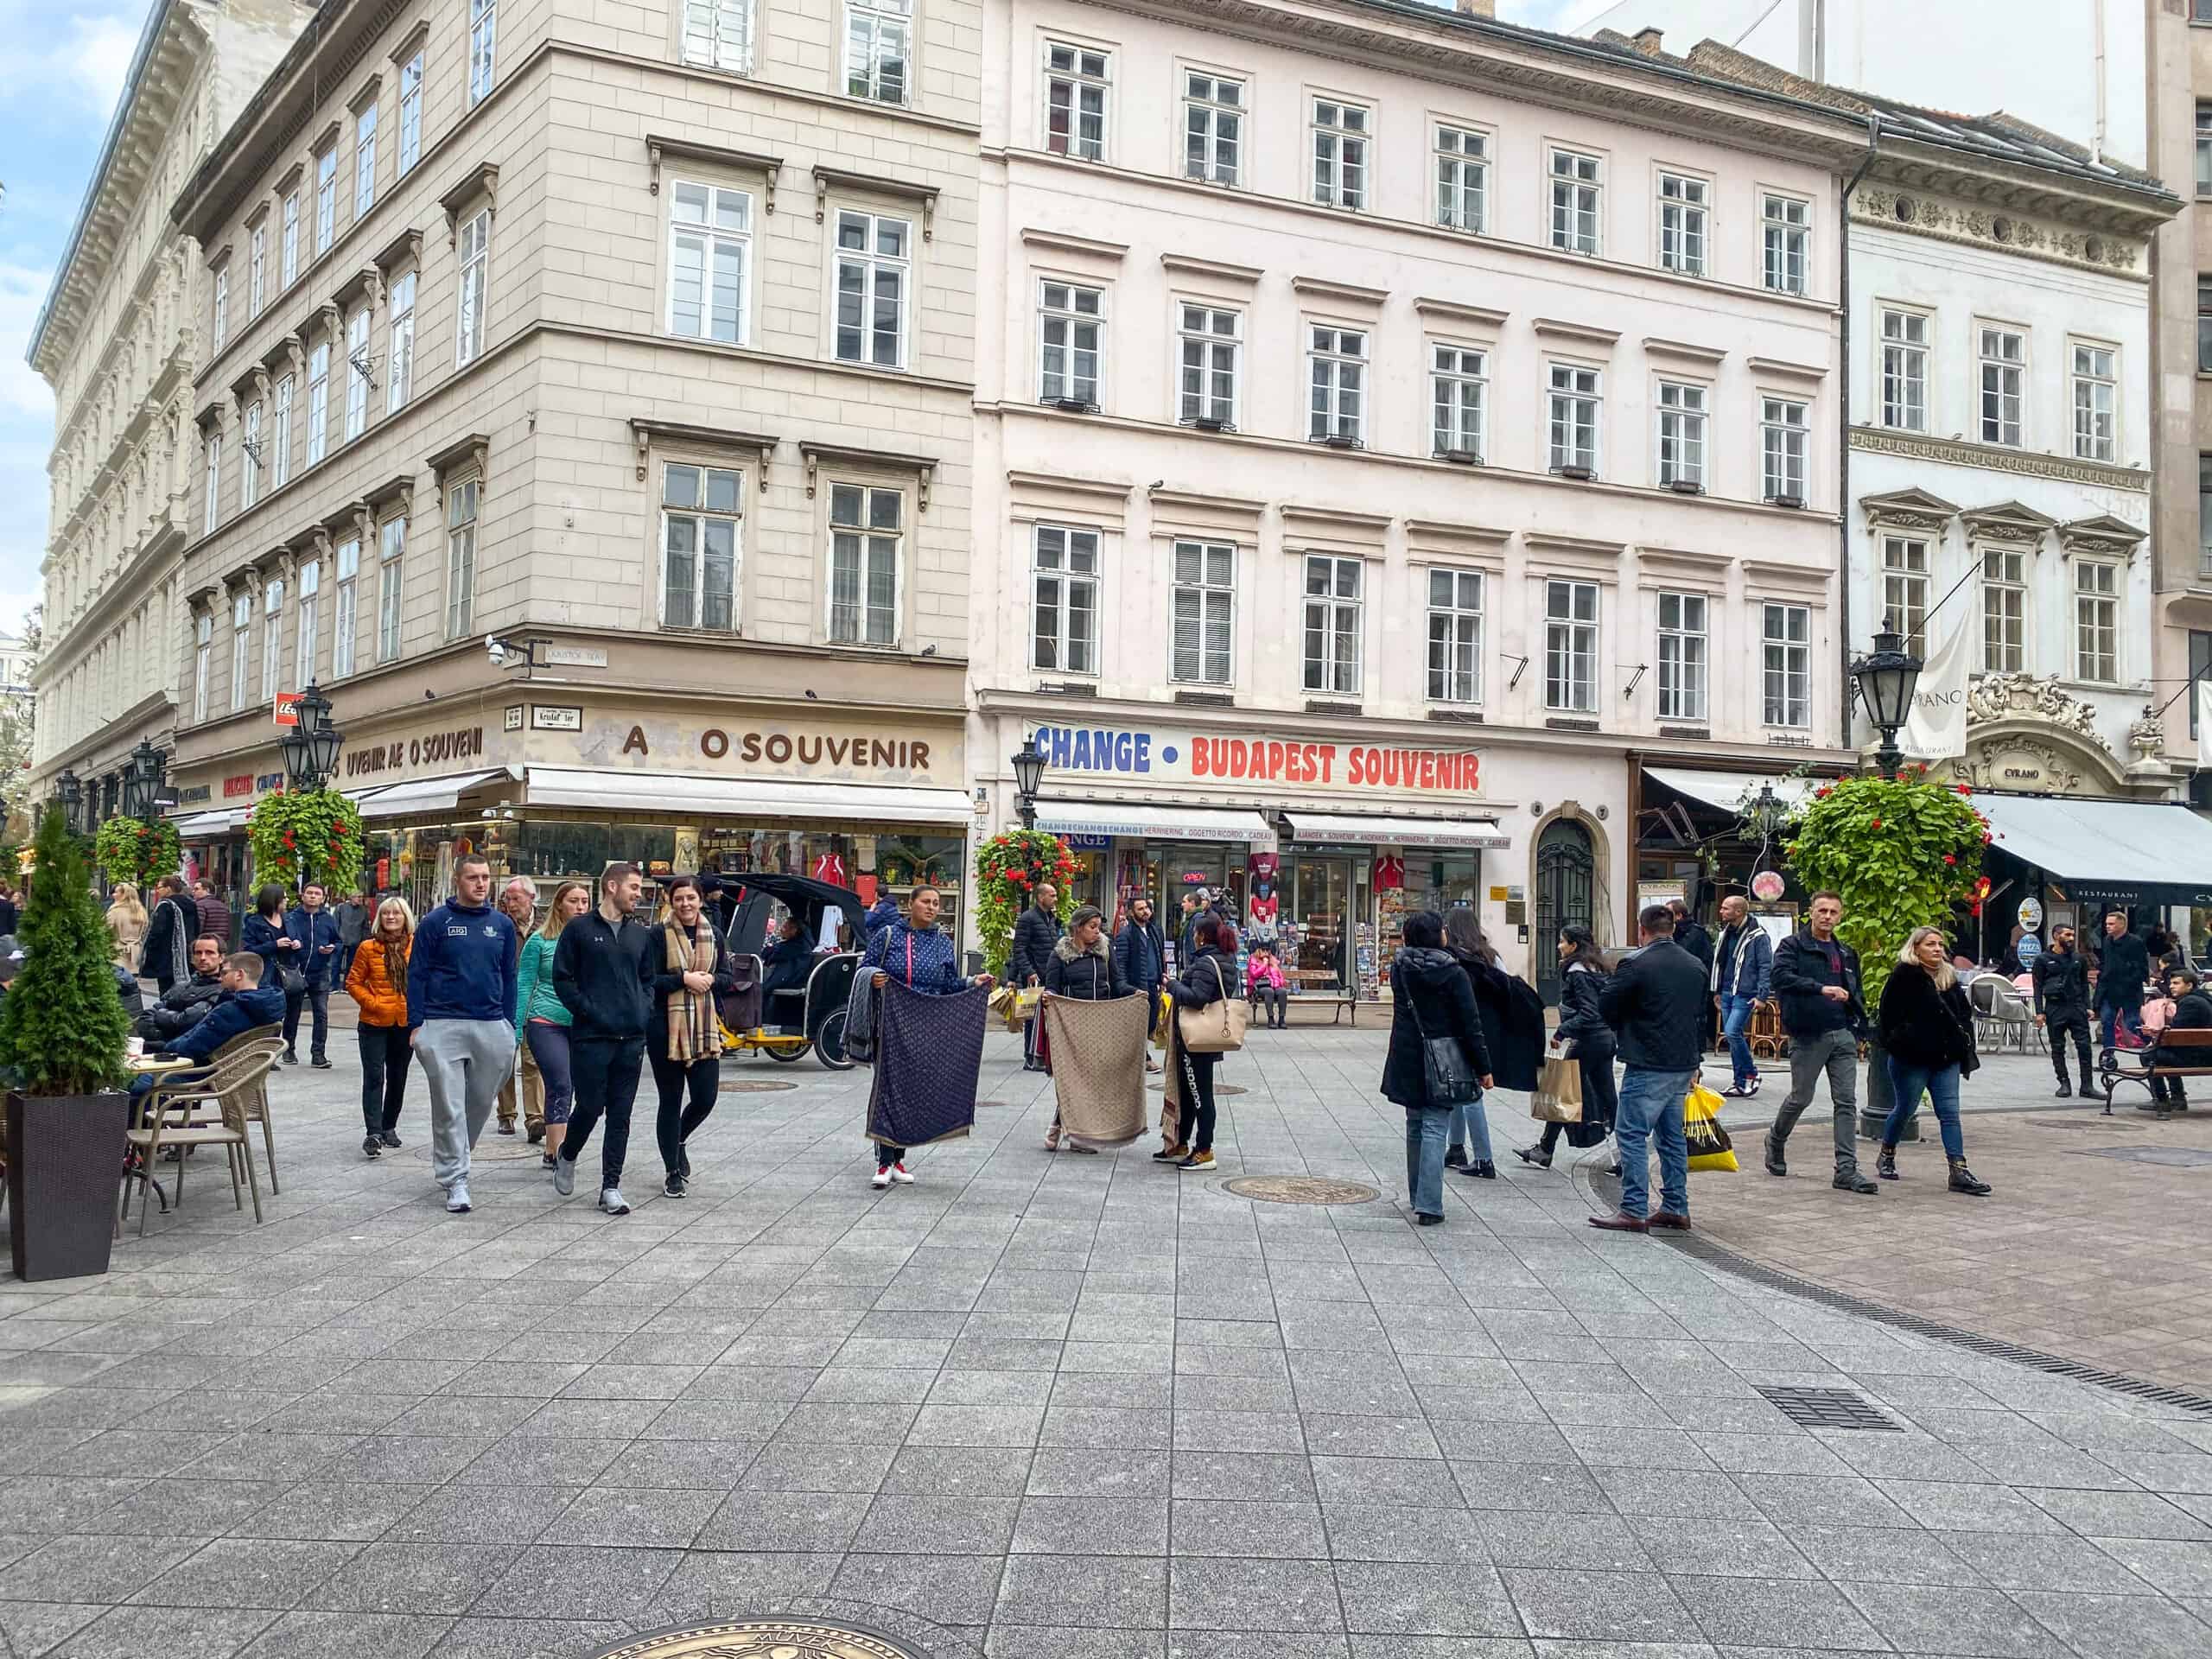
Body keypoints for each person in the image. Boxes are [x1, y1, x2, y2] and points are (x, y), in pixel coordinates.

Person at [408, 854, 520, 1215]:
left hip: (491, 1023)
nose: (481, 883)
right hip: (441, 1023)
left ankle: (457, 1154)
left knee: (481, 1101)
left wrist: (509, 1025)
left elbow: (510, 977)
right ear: (458, 880)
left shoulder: (502, 925)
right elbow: (418, 973)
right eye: (473, 877)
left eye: (486, 877)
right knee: (449, 1103)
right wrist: (416, 1024)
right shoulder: (435, 922)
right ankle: (456, 1178)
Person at [862, 885, 995, 1186]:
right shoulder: (887, 936)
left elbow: (948, 985)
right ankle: (884, 1162)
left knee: (913, 1089)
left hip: (926, 1027)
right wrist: (875, 978)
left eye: (936, 903)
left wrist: (974, 981)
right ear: (911, 904)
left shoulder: (942, 943)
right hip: (891, 1023)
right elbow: (864, 969)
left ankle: (899, 1158)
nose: (932, 907)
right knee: (889, 1087)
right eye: (926, 901)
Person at [1589, 905, 1708, 1232]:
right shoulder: (1695, 964)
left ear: (1642, 930)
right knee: (1671, 1137)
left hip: (1648, 1060)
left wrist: (1624, 1024)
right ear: (1672, 928)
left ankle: (1633, 1208)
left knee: (1631, 1133)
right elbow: (1701, 1015)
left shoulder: (1636, 963)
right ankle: (1675, 1206)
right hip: (1682, 1062)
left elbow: (1606, 1005)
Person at [551, 861, 657, 1217]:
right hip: (592, 1036)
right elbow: (563, 979)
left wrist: (643, 1011)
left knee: (621, 1115)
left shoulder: (639, 934)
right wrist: (587, 1010)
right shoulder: (579, 929)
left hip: (631, 1038)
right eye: (634, 888)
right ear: (612, 886)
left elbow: (648, 980)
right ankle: (568, 1152)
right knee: (590, 1106)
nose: (638, 895)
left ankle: (610, 1186)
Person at [1381, 911, 1494, 1226]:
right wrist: (1483, 1066)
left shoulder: (1399, 968)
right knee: (1433, 1126)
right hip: (1442, 1057)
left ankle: (1418, 1195)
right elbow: (1470, 1023)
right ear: (1439, 935)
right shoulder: (1453, 973)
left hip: (1407, 1054)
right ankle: (1429, 1205)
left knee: (1415, 1124)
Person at [1764, 892, 1876, 1195]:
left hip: (1842, 1033)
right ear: (1811, 913)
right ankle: (1775, 1139)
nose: (1827, 916)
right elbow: (1780, 977)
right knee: (1801, 1097)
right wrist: (1820, 989)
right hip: (1808, 1033)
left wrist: (1858, 1025)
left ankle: (1846, 1169)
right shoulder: (1793, 946)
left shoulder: (1846, 952)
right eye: (1822, 910)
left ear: (1840, 916)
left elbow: (1856, 990)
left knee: (1846, 1102)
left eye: (1833, 912)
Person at [1876, 925, 1991, 1195]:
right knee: (1905, 1109)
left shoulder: (1948, 977)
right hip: (1912, 1057)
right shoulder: (1904, 976)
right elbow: (1888, 1017)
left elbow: (1963, 1013)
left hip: (1946, 1058)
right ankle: (1887, 1153)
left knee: (1950, 1113)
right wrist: (1903, 1041)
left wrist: (1963, 1043)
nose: (1938, 949)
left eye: (1940, 944)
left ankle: (1958, 1171)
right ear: (1916, 948)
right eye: (1930, 944)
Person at [650, 874, 737, 1198]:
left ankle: (679, 1139)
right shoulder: (657, 935)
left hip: (703, 1027)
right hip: (664, 1027)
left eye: (690, 898)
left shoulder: (713, 934)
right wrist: (684, 979)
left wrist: (710, 980)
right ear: (670, 902)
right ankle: (672, 1170)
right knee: (670, 1100)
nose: (685, 904)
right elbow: (648, 980)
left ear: (700, 900)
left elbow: (728, 977)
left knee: (705, 1098)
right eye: (678, 898)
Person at [1445, 907, 1540, 1174]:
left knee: (1470, 1093)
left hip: (1464, 1030)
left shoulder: (1455, 959)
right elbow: (1507, 989)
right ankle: (1456, 1148)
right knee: (1460, 1090)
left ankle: (1484, 1159)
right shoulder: (1490, 957)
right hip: (1489, 1030)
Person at [1517, 925, 1618, 1171]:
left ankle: (1545, 1149)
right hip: (1605, 1039)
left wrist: (1563, 1031)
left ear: (1574, 946)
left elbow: (1589, 1011)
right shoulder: (1599, 967)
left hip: (1589, 1041)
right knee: (1608, 1097)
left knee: (1562, 1091)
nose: (1558, 946)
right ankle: (1628, 1153)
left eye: (1562, 942)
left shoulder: (1577, 971)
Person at [1041, 904, 1128, 1152]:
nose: (1097, 932)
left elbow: (1117, 982)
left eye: (1099, 927)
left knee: (1092, 1080)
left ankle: (1066, 1128)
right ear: (1078, 928)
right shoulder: (1059, 954)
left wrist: (1135, 994)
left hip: (1100, 1024)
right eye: (1092, 927)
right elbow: (1052, 987)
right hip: (1070, 1027)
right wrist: (1048, 998)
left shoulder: (1105, 951)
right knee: (1073, 1080)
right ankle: (1072, 1132)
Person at [518, 880, 588, 1172]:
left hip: (583, 1023)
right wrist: (515, 1026)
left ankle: (557, 1147)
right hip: (545, 1021)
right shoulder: (540, 941)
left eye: (585, 901)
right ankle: (555, 1150)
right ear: (559, 903)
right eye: (574, 901)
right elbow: (524, 984)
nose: (581, 907)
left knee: (580, 1088)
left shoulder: (593, 938)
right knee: (560, 1082)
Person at [1161, 913, 1240, 1172]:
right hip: (1200, 1039)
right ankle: (1182, 1142)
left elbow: (1197, 998)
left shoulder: (1207, 962)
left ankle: (1204, 1149)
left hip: (1198, 1041)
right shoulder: (1222, 958)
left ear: (1201, 936)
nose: (1193, 936)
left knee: (1200, 1095)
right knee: (1188, 1091)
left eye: (1195, 931)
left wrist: (1172, 985)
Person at [346, 897, 416, 1159]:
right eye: (386, 913)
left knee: (398, 1076)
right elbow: (353, 982)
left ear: (405, 917)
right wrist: (372, 1002)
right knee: (374, 1077)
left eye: (396, 913)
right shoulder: (368, 947)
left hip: (405, 1021)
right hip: (374, 1021)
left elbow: (426, 979)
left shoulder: (416, 946)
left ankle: (389, 1126)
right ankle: (373, 1131)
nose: (391, 917)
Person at [143, 951, 286, 1069]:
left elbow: (192, 1047)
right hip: (237, 1073)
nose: (219, 978)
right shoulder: (268, 1005)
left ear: (239, 975)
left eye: (224, 973)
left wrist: (162, 1048)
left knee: (136, 1084)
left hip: (202, 1072)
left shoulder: (231, 1010)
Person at [493, 876, 544, 1139]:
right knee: (504, 1061)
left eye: (516, 898)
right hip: (505, 1001)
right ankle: (506, 1114)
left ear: (531, 897)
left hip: (536, 1002)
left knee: (533, 1061)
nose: (511, 904)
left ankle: (535, 1117)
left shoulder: (547, 924)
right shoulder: (499, 925)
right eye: (508, 899)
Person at [1711, 895, 1774, 1098]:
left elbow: (1766, 966)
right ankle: (1740, 1082)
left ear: (1739, 912)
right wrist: (1718, 990)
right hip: (1728, 991)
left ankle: (1750, 1073)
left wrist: (1762, 995)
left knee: (1732, 1032)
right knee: (1732, 1036)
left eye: (1725, 908)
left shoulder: (1758, 936)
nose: (1721, 911)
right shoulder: (1726, 933)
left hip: (1745, 993)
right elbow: (1721, 963)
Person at [2033, 922, 2095, 1099]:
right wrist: (2040, 1011)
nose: (2071, 939)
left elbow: (2084, 984)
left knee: (2084, 1046)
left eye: (2072, 935)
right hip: (2055, 1006)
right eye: (2067, 935)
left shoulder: (2078, 959)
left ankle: (2087, 1085)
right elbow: (2037, 986)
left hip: (2076, 1006)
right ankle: (2064, 1082)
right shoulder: (2042, 959)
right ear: (2056, 936)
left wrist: (2088, 1006)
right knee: (2057, 1046)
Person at [283, 882, 341, 1068]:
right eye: (309, 893)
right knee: (293, 1012)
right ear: (303, 896)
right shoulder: (291, 918)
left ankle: (318, 1054)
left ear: (323, 898)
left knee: (321, 1013)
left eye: (317, 894)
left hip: (320, 971)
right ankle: (289, 1048)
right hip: (297, 971)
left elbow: (338, 941)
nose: (313, 896)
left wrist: (331, 948)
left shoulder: (328, 919)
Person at [241, 883, 302, 1057]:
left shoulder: (289, 919)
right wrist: (274, 945)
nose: (287, 901)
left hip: (289, 971)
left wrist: (297, 943)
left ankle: (289, 1049)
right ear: (274, 901)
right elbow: (249, 949)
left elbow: (298, 938)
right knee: (271, 1014)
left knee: (292, 1012)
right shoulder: (254, 921)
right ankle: (268, 1052)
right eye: (284, 898)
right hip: (267, 973)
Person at [1009, 882, 1063, 1071]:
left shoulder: (1050, 918)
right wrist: (1028, 971)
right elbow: (1019, 948)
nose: (1055, 899)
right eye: (1053, 895)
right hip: (1033, 976)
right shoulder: (1028, 918)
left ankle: (1042, 1054)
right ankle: (1030, 1057)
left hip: (1049, 974)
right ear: (1041, 897)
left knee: (1046, 1017)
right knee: (1031, 1016)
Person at [1111, 895, 1167, 1073]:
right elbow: (1120, 964)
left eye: (1147, 908)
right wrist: (1125, 987)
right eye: (1141, 909)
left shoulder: (1155, 930)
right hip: (1136, 987)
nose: (1145, 912)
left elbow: (1159, 954)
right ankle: (1144, 1059)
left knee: (1151, 1023)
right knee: (1139, 1026)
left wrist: (1162, 975)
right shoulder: (1125, 935)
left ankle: (1133, 1057)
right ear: (1131, 912)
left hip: (1153, 984)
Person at [2146, 965, 2212, 1113]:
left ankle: (2162, 1099)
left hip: (2201, 1057)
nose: (2171, 987)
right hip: (2204, 1052)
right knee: (2162, 1055)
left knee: (2149, 1055)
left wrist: (2156, 1034)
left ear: (2189, 985)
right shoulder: (2203, 999)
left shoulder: (2191, 1003)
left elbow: (2176, 1033)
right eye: (2171, 983)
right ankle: (2177, 1098)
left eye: (2176, 983)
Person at [139, 937, 226, 1040]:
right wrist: (158, 1036)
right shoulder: (180, 986)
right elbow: (146, 1016)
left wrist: (160, 1015)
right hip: (160, 1043)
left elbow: (186, 1021)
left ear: (221, 958)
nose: (203, 957)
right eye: (198, 953)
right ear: (193, 958)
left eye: (209, 953)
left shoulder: (222, 990)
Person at [2095, 909, 2150, 1057]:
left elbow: (2142, 968)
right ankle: (2108, 1056)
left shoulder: (2135, 942)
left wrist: (2132, 980)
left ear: (2122, 924)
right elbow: (2106, 963)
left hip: (2129, 990)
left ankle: (2153, 1044)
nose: (2107, 926)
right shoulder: (2107, 941)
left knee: (2132, 1023)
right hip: (2109, 989)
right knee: (2107, 1021)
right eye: (2107, 924)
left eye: (2111, 924)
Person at [140, 875, 198, 995]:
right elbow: (197, 927)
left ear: (169, 888)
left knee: (165, 991)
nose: (157, 890)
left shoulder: (165, 905)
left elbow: (157, 932)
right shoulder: (191, 904)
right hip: (185, 956)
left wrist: (149, 955)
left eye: (160, 887)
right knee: (183, 991)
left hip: (166, 956)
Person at [760, 914, 817, 1033]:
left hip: (792, 979)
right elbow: (767, 953)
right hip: (785, 975)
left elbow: (773, 953)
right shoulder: (792, 943)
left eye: (785, 927)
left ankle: (759, 1020)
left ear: (794, 930)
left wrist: (771, 951)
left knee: (761, 988)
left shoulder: (799, 946)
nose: (781, 929)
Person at [105, 881, 148, 974]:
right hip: (136, 953)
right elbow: (146, 932)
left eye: (116, 892)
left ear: (124, 895)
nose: (113, 895)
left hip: (117, 952)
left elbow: (106, 931)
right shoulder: (141, 911)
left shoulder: (114, 911)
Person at [334, 889, 369, 991]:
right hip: (341, 939)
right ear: (352, 897)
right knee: (335, 964)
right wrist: (336, 937)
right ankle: (334, 986)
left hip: (355, 940)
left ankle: (346, 986)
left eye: (361, 897)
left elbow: (365, 927)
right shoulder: (341, 907)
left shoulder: (364, 910)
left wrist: (363, 940)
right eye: (358, 897)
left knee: (351, 965)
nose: (360, 899)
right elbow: (336, 923)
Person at [1246, 942, 1288, 1029]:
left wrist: (1279, 984)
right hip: (1258, 987)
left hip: (1273, 986)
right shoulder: (1253, 960)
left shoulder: (1273, 960)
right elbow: (1254, 974)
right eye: (1263, 950)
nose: (1265, 952)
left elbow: (1279, 975)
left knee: (1282, 992)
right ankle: (1271, 1019)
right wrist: (1264, 965)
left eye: (1267, 950)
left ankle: (1281, 1019)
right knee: (1269, 991)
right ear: (1259, 950)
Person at [193, 879, 232, 948]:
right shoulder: (223, 906)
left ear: (207, 890)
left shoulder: (200, 905)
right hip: (221, 943)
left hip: (205, 943)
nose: (193, 891)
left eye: (197, 889)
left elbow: (198, 927)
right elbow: (228, 927)